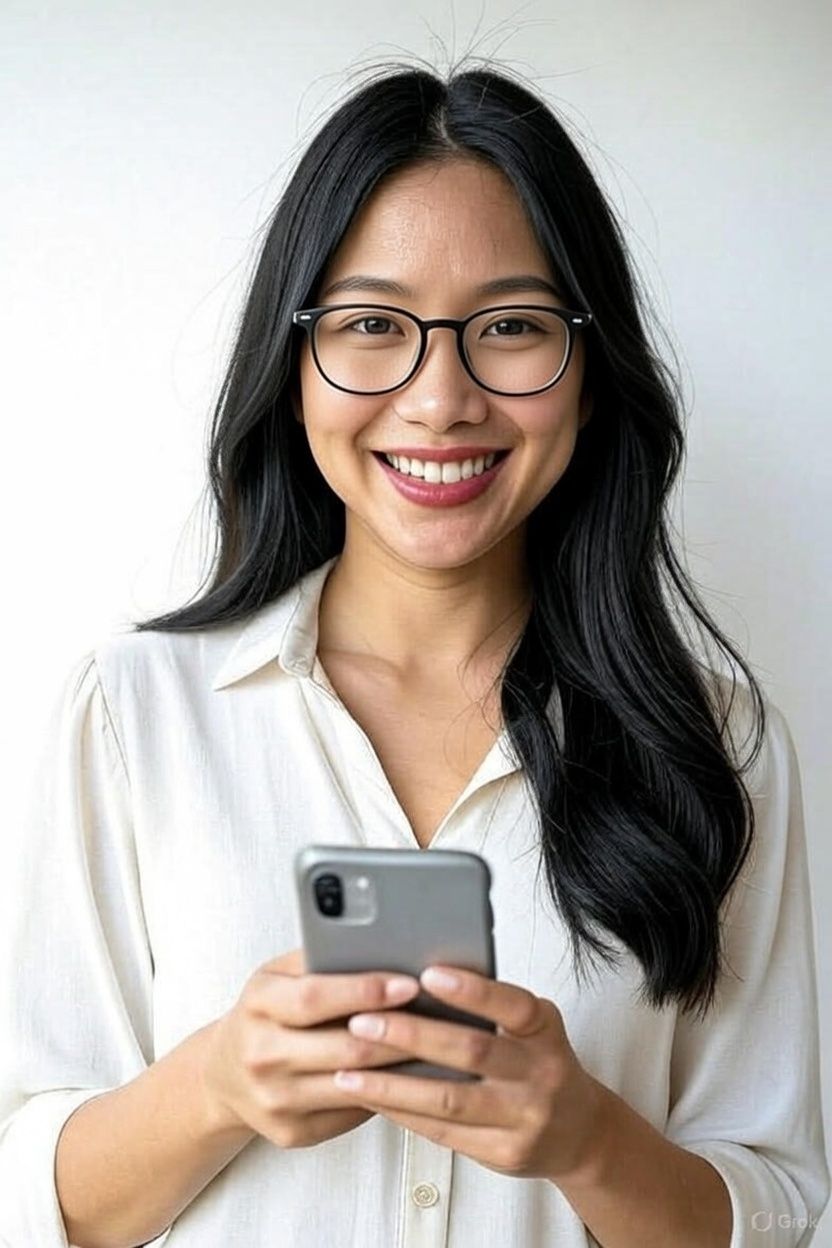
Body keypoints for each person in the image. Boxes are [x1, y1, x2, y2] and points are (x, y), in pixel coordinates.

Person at [0, 62, 828, 1248]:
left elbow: (783, 1215)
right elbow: (26, 1199)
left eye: (510, 328)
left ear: (589, 380)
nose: (440, 399)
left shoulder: (724, 748)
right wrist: (219, 1086)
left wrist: (588, 1138)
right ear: (295, 369)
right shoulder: (135, 715)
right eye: (373, 326)